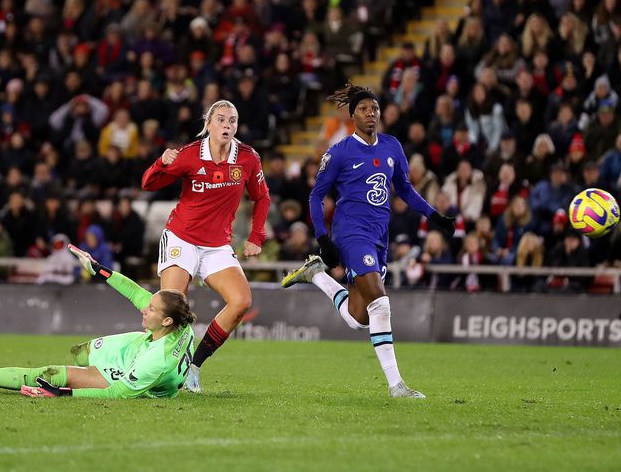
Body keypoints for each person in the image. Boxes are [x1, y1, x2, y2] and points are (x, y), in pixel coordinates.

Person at [281, 83, 455, 398]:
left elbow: (404, 190)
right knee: (381, 303)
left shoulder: (392, 147)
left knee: (359, 319)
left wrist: (435, 216)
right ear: (353, 116)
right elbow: (316, 196)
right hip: (351, 234)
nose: (371, 113)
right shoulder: (339, 152)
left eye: (374, 109)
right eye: (364, 109)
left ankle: (316, 276)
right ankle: (396, 385)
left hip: (379, 237)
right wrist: (322, 237)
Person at [0, 245, 195, 399]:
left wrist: (64, 393)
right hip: (139, 346)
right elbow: (132, 290)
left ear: (166, 320)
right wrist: (97, 268)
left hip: (138, 374)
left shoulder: (155, 360)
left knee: (53, 375)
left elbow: (117, 393)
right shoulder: (179, 321)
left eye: (151, 309)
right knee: (81, 353)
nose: (144, 309)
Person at [141, 99, 270, 393]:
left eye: (232, 121)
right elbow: (148, 184)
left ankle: (193, 366)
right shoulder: (189, 155)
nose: (227, 125)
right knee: (170, 306)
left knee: (241, 301)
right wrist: (161, 162)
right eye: (221, 120)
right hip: (181, 238)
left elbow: (262, 197)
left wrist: (255, 237)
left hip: (217, 246)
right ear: (208, 124)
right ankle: (153, 368)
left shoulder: (248, 158)